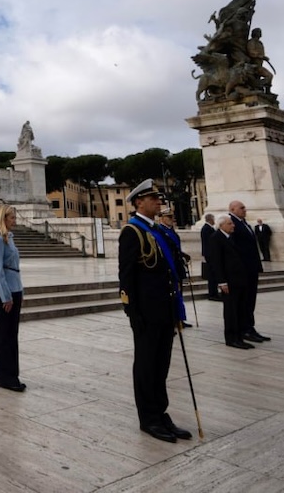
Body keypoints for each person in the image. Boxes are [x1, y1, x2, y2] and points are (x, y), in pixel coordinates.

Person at [118, 179, 191, 444]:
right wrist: (132, 312)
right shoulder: (132, 232)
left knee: (161, 365)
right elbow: (126, 276)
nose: (159, 202)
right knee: (147, 366)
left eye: (158, 198)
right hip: (146, 312)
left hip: (165, 308)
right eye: (153, 199)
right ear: (139, 202)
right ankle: (148, 418)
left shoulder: (158, 231)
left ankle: (161, 413)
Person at [0, 204, 25, 392]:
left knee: (12, 336)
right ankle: (5, 378)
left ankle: (13, 374)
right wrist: (5, 297)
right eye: (12, 218)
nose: (15, 221)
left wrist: (20, 291)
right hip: (6, 295)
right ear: (3, 219)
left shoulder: (9, 239)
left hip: (15, 290)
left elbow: (15, 268)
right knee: (3, 337)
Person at [209, 214, 254, 349]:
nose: (233, 225)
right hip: (229, 282)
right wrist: (222, 282)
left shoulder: (230, 237)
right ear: (221, 225)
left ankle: (239, 337)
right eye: (230, 223)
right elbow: (216, 262)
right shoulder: (216, 238)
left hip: (238, 280)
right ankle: (231, 338)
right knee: (231, 311)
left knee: (239, 309)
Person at [229, 200, 269, 343]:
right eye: (242, 208)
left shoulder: (244, 222)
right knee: (245, 301)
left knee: (250, 300)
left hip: (251, 268)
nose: (245, 210)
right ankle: (245, 329)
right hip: (243, 269)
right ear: (232, 209)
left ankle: (249, 327)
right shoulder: (231, 223)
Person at [199, 213, 220, 300]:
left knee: (213, 275)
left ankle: (214, 293)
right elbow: (211, 241)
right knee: (212, 275)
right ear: (210, 219)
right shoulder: (207, 228)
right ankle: (212, 294)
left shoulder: (208, 228)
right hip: (210, 254)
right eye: (213, 219)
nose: (214, 220)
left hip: (210, 254)